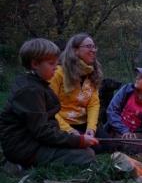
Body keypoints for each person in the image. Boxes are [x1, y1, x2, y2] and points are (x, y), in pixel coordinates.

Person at [0, 38, 98, 167]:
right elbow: (42, 131)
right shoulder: (30, 91)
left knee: (87, 150)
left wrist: (75, 138)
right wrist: (77, 140)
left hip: (34, 141)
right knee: (86, 155)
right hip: (23, 147)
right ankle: (18, 165)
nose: (56, 67)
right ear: (35, 64)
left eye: (57, 63)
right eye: (51, 63)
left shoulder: (38, 84)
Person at [49, 33, 105, 143]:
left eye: (94, 47)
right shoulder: (58, 73)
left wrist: (91, 128)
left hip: (84, 124)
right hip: (60, 123)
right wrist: (69, 130)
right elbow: (49, 107)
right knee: (88, 148)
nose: (93, 50)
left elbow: (93, 103)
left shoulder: (92, 73)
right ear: (75, 50)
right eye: (89, 46)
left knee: (108, 146)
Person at [105, 66, 142, 151]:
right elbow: (112, 111)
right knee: (128, 143)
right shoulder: (127, 90)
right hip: (116, 129)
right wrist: (124, 130)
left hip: (136, 135)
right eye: (138, 75)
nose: (137, 78)